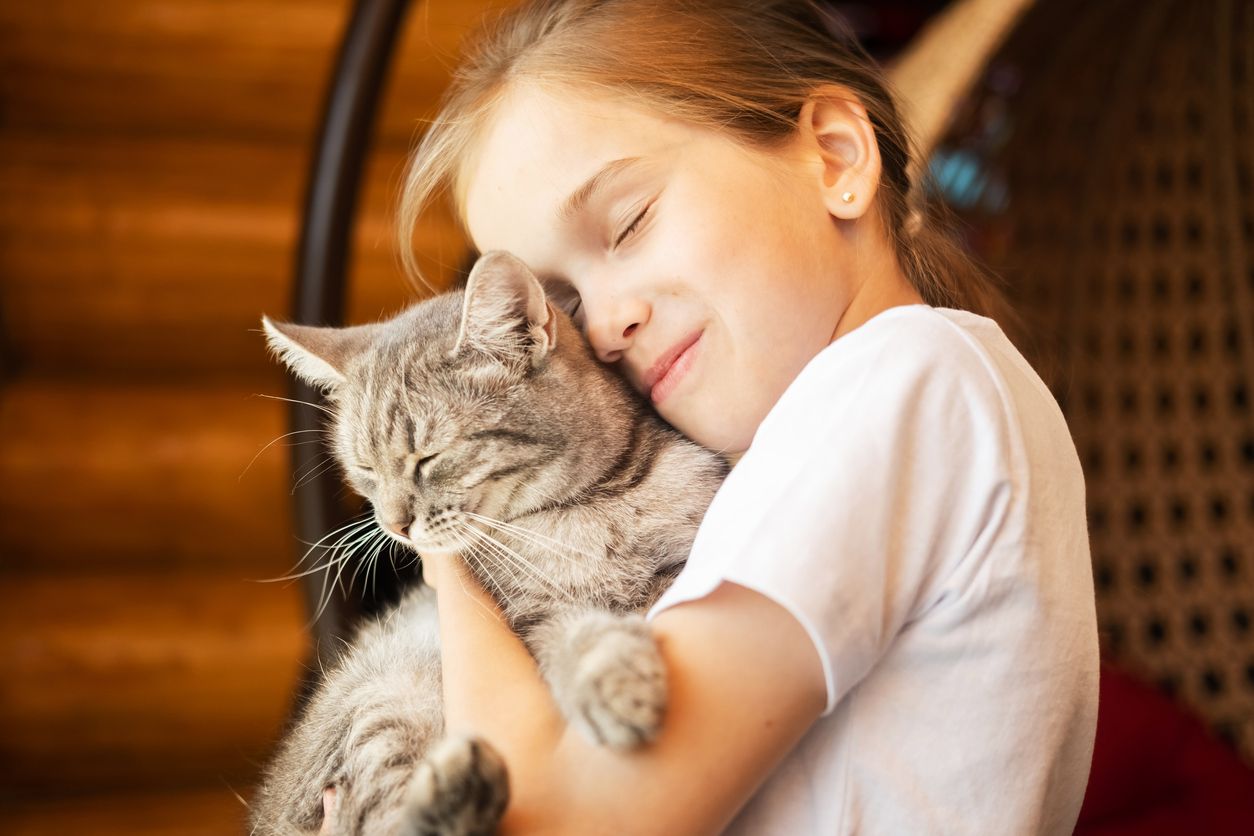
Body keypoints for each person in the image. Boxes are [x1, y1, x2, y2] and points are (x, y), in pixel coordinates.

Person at [338, 0, 1099, 832]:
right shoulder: (891, 407)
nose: (598, 327)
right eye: (558, 303)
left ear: (837, 157)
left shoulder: (902, 384)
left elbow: (562, 817)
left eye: (627, 222)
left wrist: (444, 536)